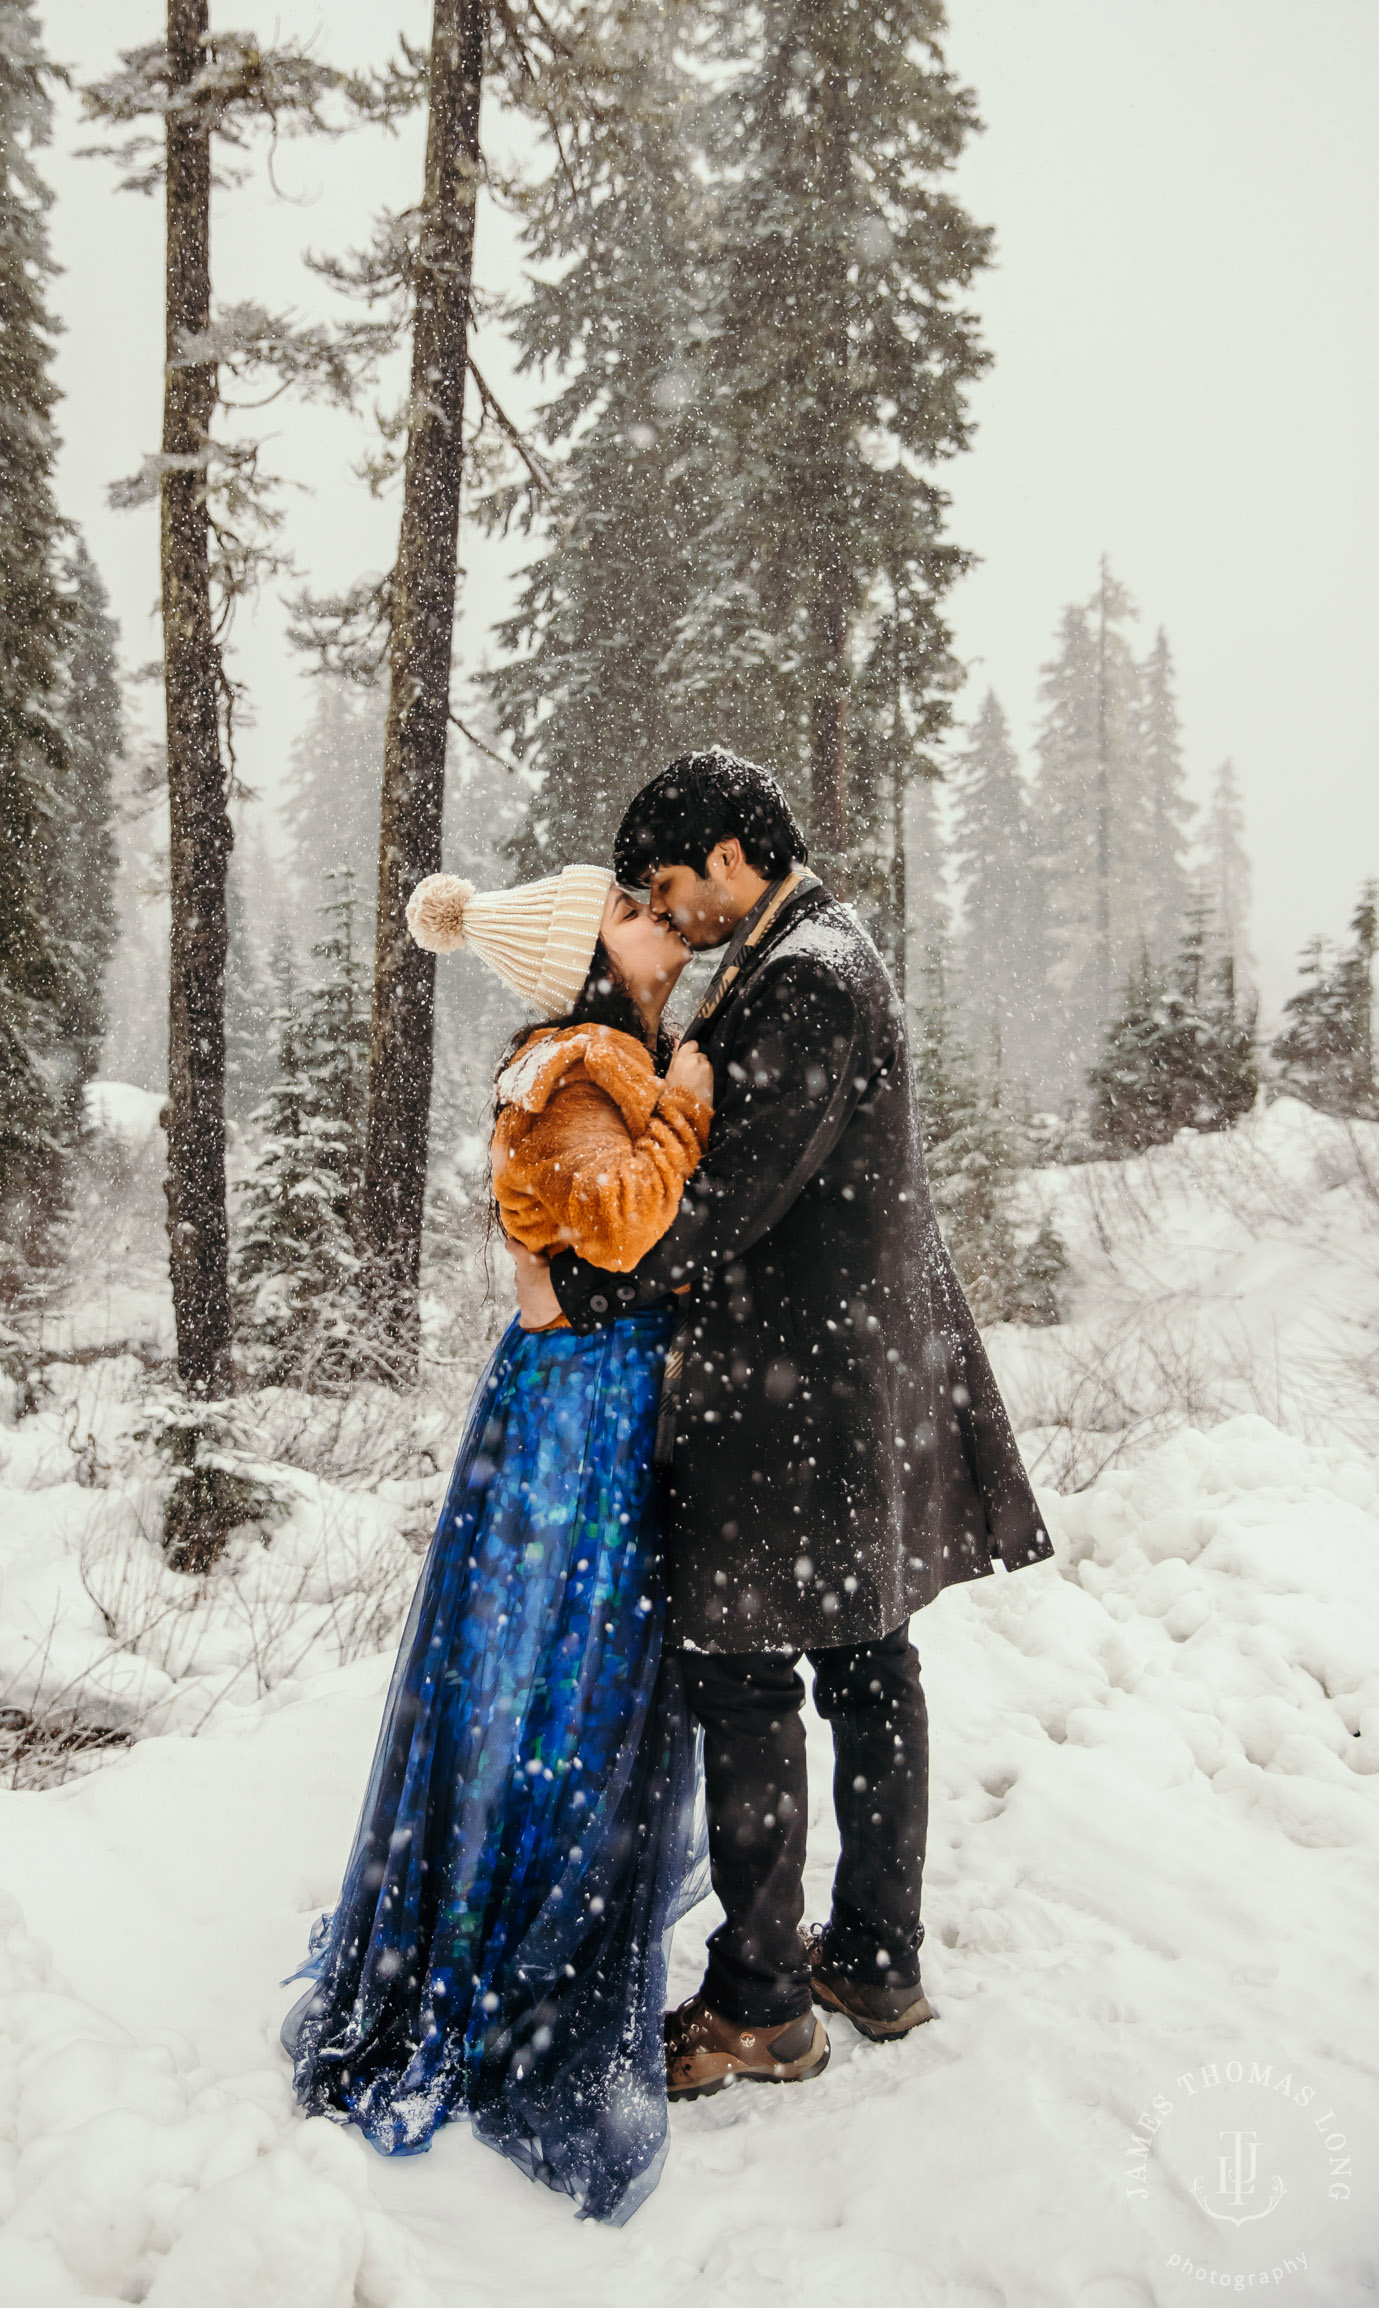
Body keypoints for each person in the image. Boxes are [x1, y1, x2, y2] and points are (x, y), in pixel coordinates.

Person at [512, 749, 1053, 2101]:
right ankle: (871, 1954)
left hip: (799, 1388)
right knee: (866, 1661)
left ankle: (763, 2000)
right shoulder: (807, 950)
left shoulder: (806, 974)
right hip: (839, 1370)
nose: (665, 907)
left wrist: (571, 1286)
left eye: (671, 882)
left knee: (748, 1669)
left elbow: (723, 1200)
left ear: (735, 860)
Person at [283, 861, 774, 2226]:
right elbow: (619, 1217)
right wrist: (688, 1101)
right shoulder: (575, 1065)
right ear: (583, 957)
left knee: (571, 1666)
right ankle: (504, 1934)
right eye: (633, 914)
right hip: (576, 1414)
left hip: (586, 1392)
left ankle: (522, 1894)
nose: (661, 924)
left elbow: (588, 1233)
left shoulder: (604, 1052)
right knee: (556, 1667)